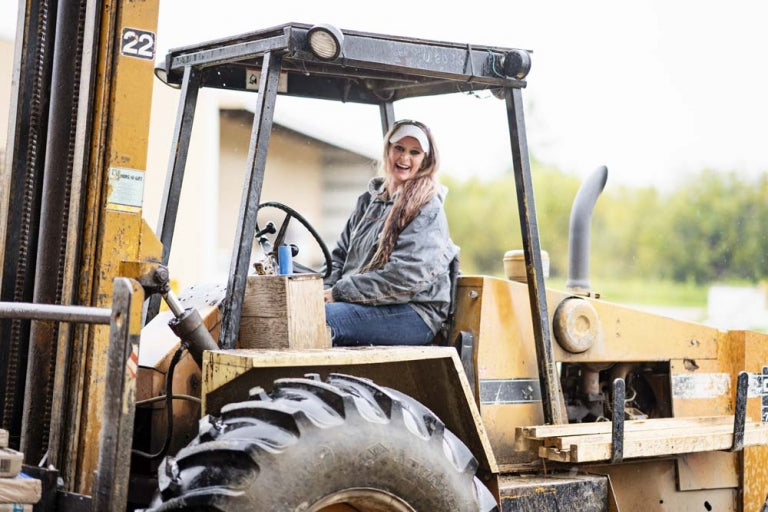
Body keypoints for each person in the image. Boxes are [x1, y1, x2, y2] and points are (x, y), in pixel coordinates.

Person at [323, 119, 458, 346]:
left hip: (413, 312)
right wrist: (324, 289)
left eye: (414, 152)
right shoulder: (368, 201)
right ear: (388, 150)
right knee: (293, 310)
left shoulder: (427, 208)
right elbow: (339, 258)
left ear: (426, 159)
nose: (404, 158)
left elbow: (405, 278)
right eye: (399, 149)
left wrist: (339, 292)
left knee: (317, 320)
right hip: (362, 301)